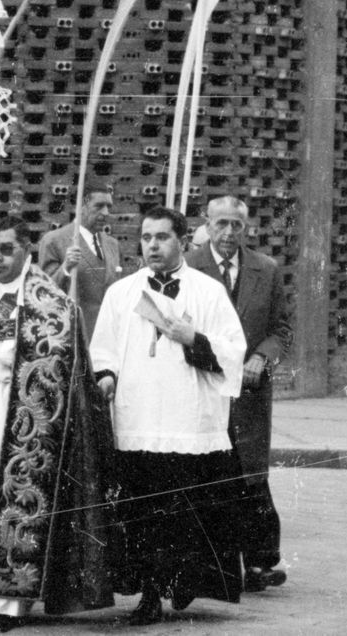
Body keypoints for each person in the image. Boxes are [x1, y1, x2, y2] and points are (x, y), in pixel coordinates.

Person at [0, 215, 115, 632]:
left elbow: (60, 367)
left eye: (6, 248)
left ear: (26, 251)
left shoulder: (50, 304)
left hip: (14, 415)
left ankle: (7, 601)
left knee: (5, 497)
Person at [90, 205, 246, 625]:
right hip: (138, 420)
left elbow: (234, 351)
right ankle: (147, 593)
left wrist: (193, 337)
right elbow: (102, 349)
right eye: (146, 238)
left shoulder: (208, 292)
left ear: (181, 241)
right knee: (142, 514)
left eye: (162, 237)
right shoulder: (121, 293)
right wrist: (105, 377)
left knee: (183, 513)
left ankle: (182, 582)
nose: (153, 245)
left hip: (187, 422)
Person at [185, 195, 293, 593]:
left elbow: (281, 328)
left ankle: (262, 563)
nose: (229, 232)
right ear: (208, 224)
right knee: (203, 475)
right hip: (201, 387)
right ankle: (205, 568)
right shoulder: (189, 267)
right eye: (221, 224)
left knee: (251, 476)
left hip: (248, 393)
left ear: (247, 228)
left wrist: (262, 358)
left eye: (237, 225)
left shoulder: (266, 269)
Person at [37, 182, 124, 340]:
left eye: (108, 206)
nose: (106, 212)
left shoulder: (113, 244)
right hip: (74, 336)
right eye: (99, 206)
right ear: (80, 206)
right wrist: (65, 268)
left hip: (109, 336)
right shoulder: (54, 241)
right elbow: (44, 293)